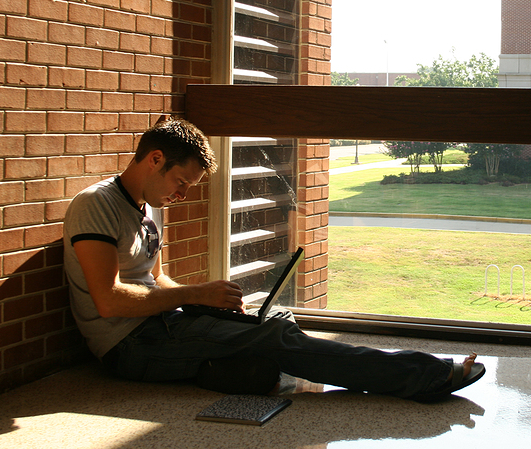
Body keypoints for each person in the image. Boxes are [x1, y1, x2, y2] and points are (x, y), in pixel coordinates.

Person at [62, 117, 484, 401]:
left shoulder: (149, 205)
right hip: (129, 345)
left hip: (163, 324)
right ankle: (425, 376)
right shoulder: (95, 205)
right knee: (274, 340)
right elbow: (110, 300)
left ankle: (240, 370)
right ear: (155, 159)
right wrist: (197, 294)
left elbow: (154, 281)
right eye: (180, 181)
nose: (182, 194)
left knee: (275, 321)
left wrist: (209, 299)